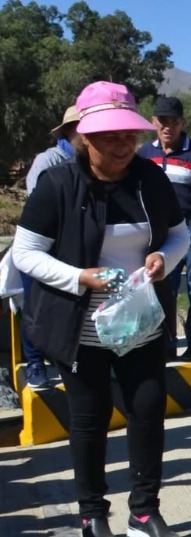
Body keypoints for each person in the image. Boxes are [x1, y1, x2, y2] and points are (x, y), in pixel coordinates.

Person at [12, 82, 189, 537]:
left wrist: (161, 262)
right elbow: (26, 255)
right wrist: (79, 277)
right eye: (108, 134)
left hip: (142, 323)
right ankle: (93, 517)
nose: (121, 143)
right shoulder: (58, 185)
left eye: (127, 133)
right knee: (88, 421)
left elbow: (179, 236)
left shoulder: (151, 180)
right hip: (80, 328)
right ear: (84, 137)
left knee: (148, 412)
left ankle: (145, 514)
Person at [138, 96, 191, 361]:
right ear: (153, 122)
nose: (167, 127)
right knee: (164, 289)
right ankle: (165, 346)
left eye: (174, 122)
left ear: (182, 122)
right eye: (162, 121)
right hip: (161, 234)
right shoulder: (144, 155)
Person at [18, 105, 81, 390]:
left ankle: (64, 359)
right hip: (45, 245)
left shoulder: (88, 164)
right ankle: (34, 365)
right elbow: (38, 207)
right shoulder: (48, 161)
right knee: (35, 306)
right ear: (70, 131)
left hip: (73, 247)